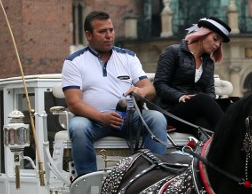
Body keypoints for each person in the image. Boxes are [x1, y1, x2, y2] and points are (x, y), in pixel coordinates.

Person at [61, 11, 168, 177]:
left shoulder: (128, 57)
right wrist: (102, 117)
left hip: (127, 118)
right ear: (88, 35)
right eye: (102, 32)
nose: (109, 35)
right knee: (78, 127)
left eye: (111, 30)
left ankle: (151, 178)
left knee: (156, 118)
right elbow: (74, 103)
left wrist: (141, 91)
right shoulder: (74, 61)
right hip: (93, 121)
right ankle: (88, 182)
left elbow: (150, 89)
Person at [153, 17, 229, 137]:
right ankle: (232, 134)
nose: (217, 45)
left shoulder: (208, 62)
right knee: (202, 99)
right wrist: (180, 96)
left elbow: (210, 93)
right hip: (170, 111)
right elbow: (159, 84)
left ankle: (212, 153)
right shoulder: (173, 52)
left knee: (205, 124)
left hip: (193, 115)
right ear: (203, 35)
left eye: (220, 42)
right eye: (215, 39)